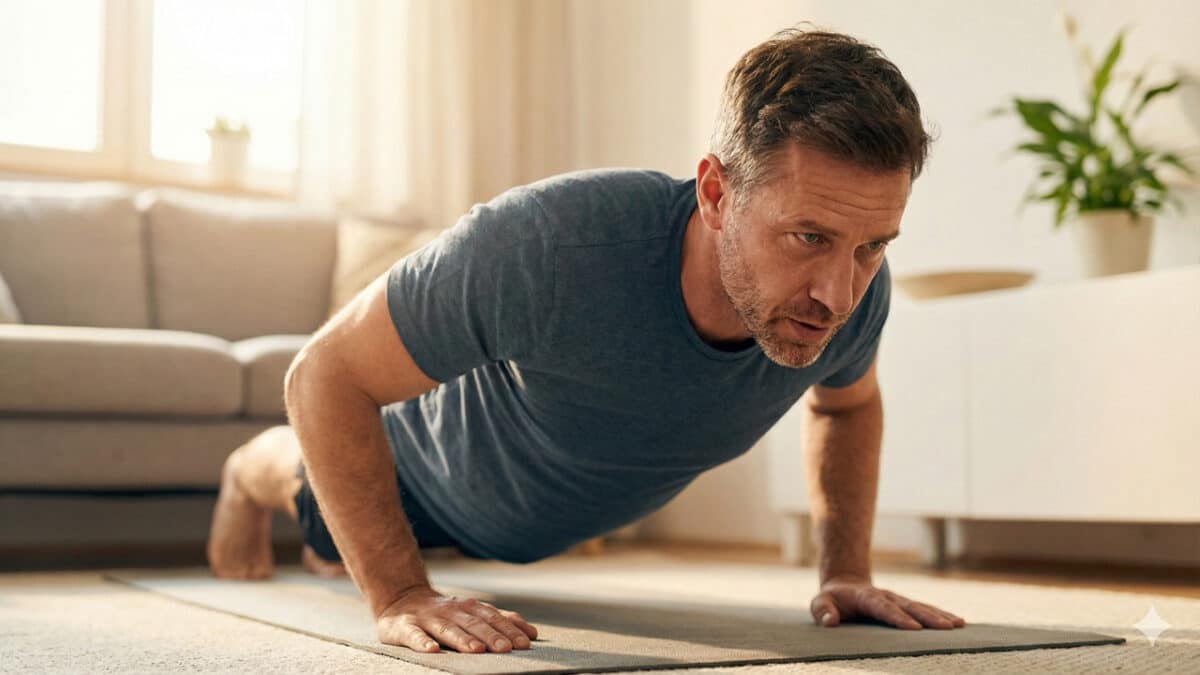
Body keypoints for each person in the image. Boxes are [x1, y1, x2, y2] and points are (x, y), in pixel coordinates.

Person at [207, 27, 967, 655]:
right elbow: (323, 374)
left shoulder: (857, 291)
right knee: (316, 506)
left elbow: (846, 407)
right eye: (808, 236)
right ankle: (247, 471)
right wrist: (400, 591)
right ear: (715, 193)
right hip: (423, 473)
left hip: (537, 522)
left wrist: (844, 571)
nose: (839, 295)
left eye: (873, 244)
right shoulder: (545, 243)